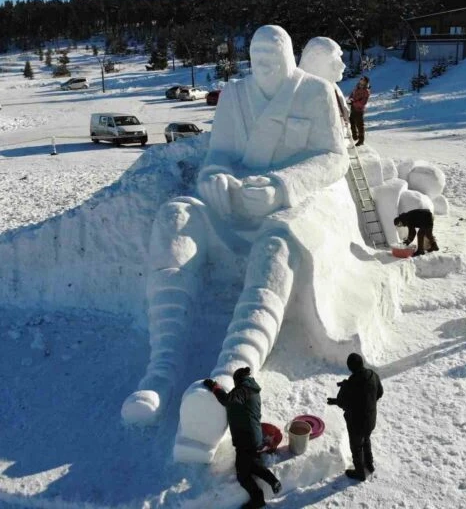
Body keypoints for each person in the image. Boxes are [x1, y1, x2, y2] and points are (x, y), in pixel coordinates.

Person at [121, 25, 349, 463]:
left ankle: (228, 377)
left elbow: (333, 157)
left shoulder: (316, 92)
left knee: (279, 238)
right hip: (232, 206)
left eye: (272, 52)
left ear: (287, 53)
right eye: (255, 52)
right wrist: (214, 178)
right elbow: (219, 154)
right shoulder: (235, 96)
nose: (263, 61)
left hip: (284, 204)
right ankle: (160, 371)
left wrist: (284, 185)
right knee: (177, 214)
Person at [204, 367, 281, 509]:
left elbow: (228, 400)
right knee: (250, 464)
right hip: (253, 437)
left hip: (246, 439)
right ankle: (273, 481)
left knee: (242, 475)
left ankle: (258, 500)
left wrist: (215, 387)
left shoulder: (243, 390)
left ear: (238, 380)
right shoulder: (251, 389)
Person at [327, 353, 383, 481]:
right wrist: (369, 402)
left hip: (356, 423)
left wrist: (340, 394)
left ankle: (359, 473)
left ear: (350, 368)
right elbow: (380, 392)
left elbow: (342, 402)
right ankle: (369, 464)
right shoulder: (373, 375)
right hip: (370, 419)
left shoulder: (350, 384)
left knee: (356, 447)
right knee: (366, 440)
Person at [299, 36, 349, 124]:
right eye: (334, 62)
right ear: (314, 62)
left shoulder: (333, 87)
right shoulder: (303, 96)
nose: (342, 66)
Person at [348, 75, 370, 146]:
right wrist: (350, 99)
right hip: (353, 108)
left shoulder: (366, 91)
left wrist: (354, 102)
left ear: (365, 82)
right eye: (361, 80)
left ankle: (361, 140)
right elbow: (352, 95)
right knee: (351, 121)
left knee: (360, 125)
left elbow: (363, 102)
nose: (361, 81)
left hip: (359, 110)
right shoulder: (356, 88)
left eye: (363, 80)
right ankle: (355, 136)